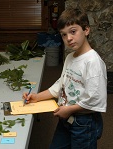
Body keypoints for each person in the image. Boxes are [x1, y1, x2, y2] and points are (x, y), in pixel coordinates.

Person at [23, 8, 107, 149]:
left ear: (86, 30)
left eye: (73, 31)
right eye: (63, 34)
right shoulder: (69, 58)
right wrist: (37, 97)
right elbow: (61, 85)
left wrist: (69, 110)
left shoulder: (92, 62)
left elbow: (96, 99)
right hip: (66, 118)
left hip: (84, 123)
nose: (68, 38)